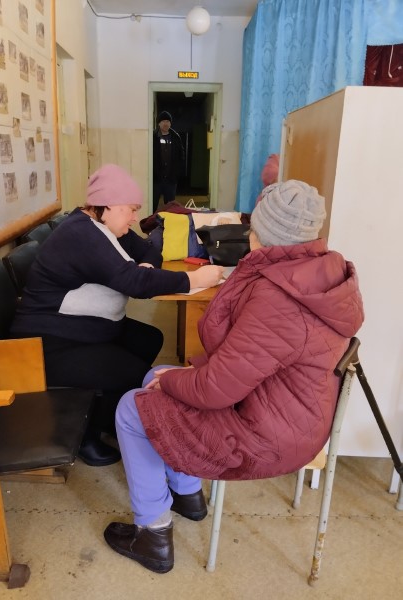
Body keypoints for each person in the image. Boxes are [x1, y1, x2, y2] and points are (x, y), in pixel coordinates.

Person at [103, 179, 364, 573]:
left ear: (262, 232)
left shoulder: (278, 298)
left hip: (270, 434)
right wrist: (170, 378)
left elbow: (215, 390)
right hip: (291, 411)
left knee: (130, 408)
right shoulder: (317, 272)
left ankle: (152, 535)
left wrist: (172, 382)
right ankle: (187, 494)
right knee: (156, 373)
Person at [10, 164, 223, 467]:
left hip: (85, 329)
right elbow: (133, 283)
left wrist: (146, 269)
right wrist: (193, 280)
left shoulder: (108, 228)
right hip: (52, 341)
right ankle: (86, 436)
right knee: (134, 373)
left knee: (149, 338)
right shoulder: (81, 234)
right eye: (131, 209)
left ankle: (109, 414)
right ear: (107, 205)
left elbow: (148, 250)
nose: (135, 217)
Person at [153, 111, 185, 213]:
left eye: (167, 121)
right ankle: (152, 221)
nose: (165, 123)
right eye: (163, 121)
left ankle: (168, 222)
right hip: (156, 179)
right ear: (159, 123)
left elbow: (181, 156)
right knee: (153, 204)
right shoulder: (153, 136)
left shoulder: (176, 137)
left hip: (171, 179)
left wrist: (176, 173)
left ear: (170, 123)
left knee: (170, 207)